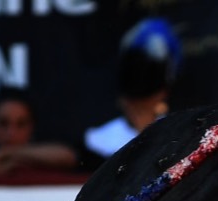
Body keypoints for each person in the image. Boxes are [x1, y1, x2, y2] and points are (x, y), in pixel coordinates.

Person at [75, 17, 182, 170]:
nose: (140, 80)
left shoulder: (179, 136)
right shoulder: (98, 141)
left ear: (163, 91)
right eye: (133, 74)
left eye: (149, 77)